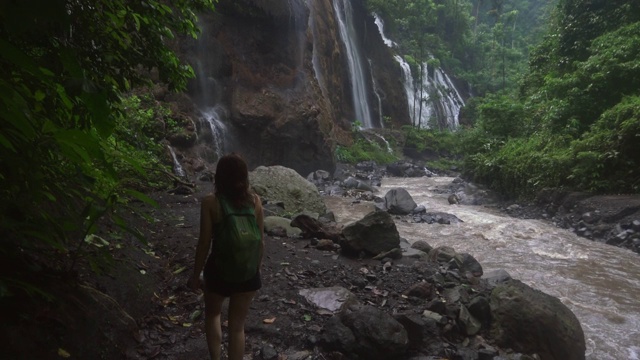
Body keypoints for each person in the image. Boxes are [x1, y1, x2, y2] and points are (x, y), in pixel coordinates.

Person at [188, 153, 264, 360]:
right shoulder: (256, 201)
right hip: (248, 274)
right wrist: (255, 269)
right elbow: (261, 241)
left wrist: (196, 275)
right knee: (237, 327)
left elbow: (204, 243)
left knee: (213, 314)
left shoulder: (211, 202)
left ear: (219, 177)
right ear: (244, 176)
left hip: (218, 271)